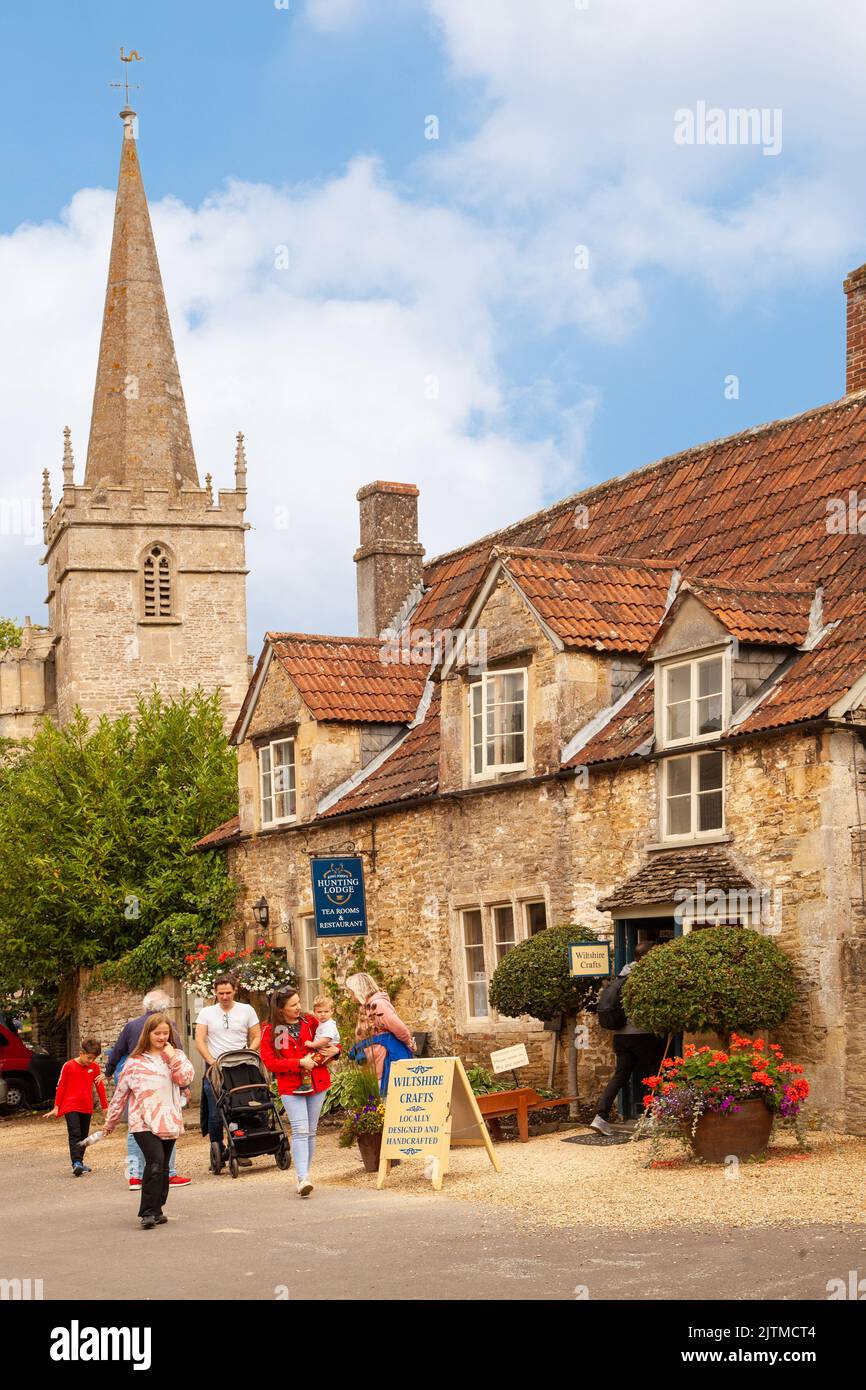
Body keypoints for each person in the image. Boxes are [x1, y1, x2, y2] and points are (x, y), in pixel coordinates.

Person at [103, 1014, 195, 1229]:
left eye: (165, 1033)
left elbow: (185, 1079)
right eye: (157, 1033)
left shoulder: (176, 1056)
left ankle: (158, 1208)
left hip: (167, 1119)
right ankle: (147, 1213)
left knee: (162, 1166)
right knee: (154, 1162)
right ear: (148, 1034)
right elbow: (120, 1094)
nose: (162, 1037)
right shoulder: (135, 1062)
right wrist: (111, 1122)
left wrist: (173, 1057)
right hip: (143, 1121)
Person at [105, 989, 191, 1191]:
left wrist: (109, 1070)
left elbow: (118, 1050)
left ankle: (134, 1176)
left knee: (135, 1129)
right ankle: (168, 1173)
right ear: (164, 1008)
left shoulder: (131, 1025)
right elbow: (176, 1055)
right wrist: (184, 1086)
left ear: (146, 1005)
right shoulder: (169, 1025)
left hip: (135, 1082)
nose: (162, 1036)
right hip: (159, 1084)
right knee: (167, 1127)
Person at [260, 987, 340, 1197]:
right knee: (300, 1129)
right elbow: (272, 1062)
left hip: (317, 1081)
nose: (299, 1007)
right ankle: (302, 1178)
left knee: (311, 1131)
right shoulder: (273, 1029)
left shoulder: (310, 1021)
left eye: (298, 1002)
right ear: (280, 1008)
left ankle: (306, 1174)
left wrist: (336, 1051)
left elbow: (329, 1040)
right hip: (291, 1086)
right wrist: (298, 1063)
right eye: (293, 1005)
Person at [590, 941, 666, 1135]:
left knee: (621, 1075)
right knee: (657, 1073)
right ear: (648, 956)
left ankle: (601, 1117)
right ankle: (655, 1117)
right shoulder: (644, 977)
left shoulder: (622, 975)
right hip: (642, 1034)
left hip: (621, 1036)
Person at [194, 976, 261, 1167]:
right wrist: (210, 1061)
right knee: (215, 1114)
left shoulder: (246, 1010)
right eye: (220, 993)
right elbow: (199, 1040)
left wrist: (249, 1052)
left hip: (241, 1067)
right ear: (215, 992)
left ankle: (239, 1149)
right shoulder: (207, 1012)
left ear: (235, 990)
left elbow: (256, 1035)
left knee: (240, 1108)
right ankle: (217, 1151)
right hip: (215, 1068)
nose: (224, 996)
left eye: (228, 993)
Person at [45, 1037, 108, 1176]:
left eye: (94, 1059)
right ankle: (76, 1163)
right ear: (81, 1053)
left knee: (84, 1136)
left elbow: (100, 1087)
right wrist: (57, 1107)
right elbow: (61, 1087)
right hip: (70, 1106)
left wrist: (105, 1107)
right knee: (75, 1134)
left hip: (86, 1107)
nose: (91, 1061)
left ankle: (80, 1161)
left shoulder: (94, 1068)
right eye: (89, 1057)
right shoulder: (68, 1066)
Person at [345, 972, 414, 1096]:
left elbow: (399, 1027)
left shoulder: (379, 1005)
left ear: (359, 990)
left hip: (384, 1059)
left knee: (386, 1097)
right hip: (374, 1062)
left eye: (352, 992)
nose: (350, 996)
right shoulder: (365, 1006)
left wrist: (409, 1042)